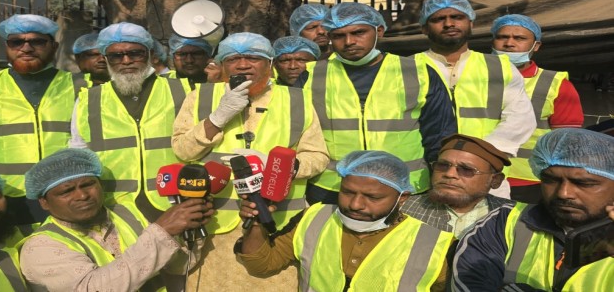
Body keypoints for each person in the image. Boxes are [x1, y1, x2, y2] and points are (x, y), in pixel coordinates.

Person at [172, 32, 329, 290]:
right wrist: (219, 117)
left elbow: (318, 157)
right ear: (222, 65)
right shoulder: (199, 97)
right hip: (214, 221)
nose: (243, 65)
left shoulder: (296, 99)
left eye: (253, 58)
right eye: (234, 59)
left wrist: (278, 167)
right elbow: (183, 151)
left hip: (278, 222)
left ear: (269, 63)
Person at [301, 2, 456, 204]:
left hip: (406, 188)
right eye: (338, 35)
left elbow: (440, 133)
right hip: (332, 188)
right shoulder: (310, 75)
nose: (349, 42)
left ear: (379, 31)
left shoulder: (417, 72)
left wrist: (441, 179)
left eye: (359, 32)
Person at [237, 150, 454, 291]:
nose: (356, 204)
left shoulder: (436, 245)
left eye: (373, 197)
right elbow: (261, 266)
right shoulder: (314, 217)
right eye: (348, 192)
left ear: (402, 198)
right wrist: (257, 223)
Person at [0, 14, 86, 224]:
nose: (26, 48)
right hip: (4, 203)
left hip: (67, 198)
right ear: (7, 46)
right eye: (17, 42)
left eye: (37, 41)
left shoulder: (81, 87)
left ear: (54, 46)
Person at [20, 148, 213, 291]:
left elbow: (177, 267)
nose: (82, 195)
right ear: (44, 202)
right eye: (67, 191)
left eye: (88, 184)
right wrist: (162, 233)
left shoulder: (129, 212)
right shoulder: (41, 247)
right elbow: (94, 288)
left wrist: (192, 230)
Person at [451, 128, 614, 291]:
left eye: (584, 183)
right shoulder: (506, 221)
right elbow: (470, 282)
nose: (564, 193)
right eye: (551, 180)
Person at [416, 0, 536, 198]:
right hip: (422, 179)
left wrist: (475, 156)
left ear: (471, 23)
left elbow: (520, 119)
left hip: (485, 178)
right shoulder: (406, 68)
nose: (449, 24)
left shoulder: (500, 67)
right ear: (424, 28)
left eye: (457, 17)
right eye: (438, 19)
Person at [71, 22, 189, 224]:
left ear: (150, 54)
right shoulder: (88, 100)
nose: (126, 61)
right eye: (116, 56)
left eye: (135, 53)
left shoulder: (183, 90)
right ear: (106, 59)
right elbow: (79, 152)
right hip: (115, 208)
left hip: (176, 203)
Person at [490, 14, 584, 203]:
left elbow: (567, 144)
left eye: (519, 38)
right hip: (476, 176)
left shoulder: (555, 84)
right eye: (502, 37)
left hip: (529, 183)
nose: (509, 43)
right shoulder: (472, 78)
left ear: (536, 46)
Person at [402, 133, 514, 237]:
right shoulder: (403, 208)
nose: (450, 174)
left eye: (466, 169)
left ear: (495, 180)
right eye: (442, 165)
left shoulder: (512, 216)